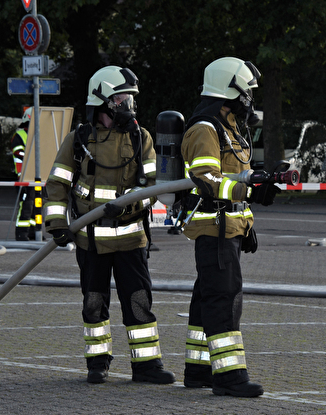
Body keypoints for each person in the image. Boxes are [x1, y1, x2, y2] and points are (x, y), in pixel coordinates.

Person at [45, 66, 175, 385]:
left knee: (139, 302)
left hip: (131, 239)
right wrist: (57, 222)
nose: (129, 103)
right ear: (104, 99)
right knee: (93, 303)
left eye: (130, 97)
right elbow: (57, 183)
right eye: (122, 97)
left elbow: (152, 186)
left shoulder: (139, 137)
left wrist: (129, 203)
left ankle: (146, 366)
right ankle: (97, 362)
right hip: (90, 241)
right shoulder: (79, 139)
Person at [180, 57, 280, 397]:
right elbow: (209, 182)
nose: (250, 98)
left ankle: (198, 370)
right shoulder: (205, 129)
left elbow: (234, 179)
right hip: (214, 229)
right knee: (224, 299)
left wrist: (247, 219)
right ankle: (229, 376)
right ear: (230, 89)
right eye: (247, 91)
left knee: (207, 296)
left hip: (227, 227)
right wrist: (250, 191)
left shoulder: (230, 128)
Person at [11, 109, 36, 241]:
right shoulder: (20, 135)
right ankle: (21, 233)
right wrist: (33, 158)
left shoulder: (38, 136)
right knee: (26, 205)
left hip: (36, 177)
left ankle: (33, 232)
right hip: (24, 176)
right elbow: (17, 151)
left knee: (35, 206)